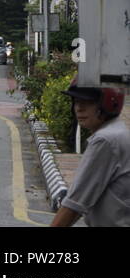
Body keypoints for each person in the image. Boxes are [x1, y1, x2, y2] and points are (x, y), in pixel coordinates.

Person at [50, 80, 129, 227]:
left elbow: (74, 205)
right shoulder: (117, 131)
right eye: (77, 102)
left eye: (88, 102)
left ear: (108, 104)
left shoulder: (105, 140)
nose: (79, 108)